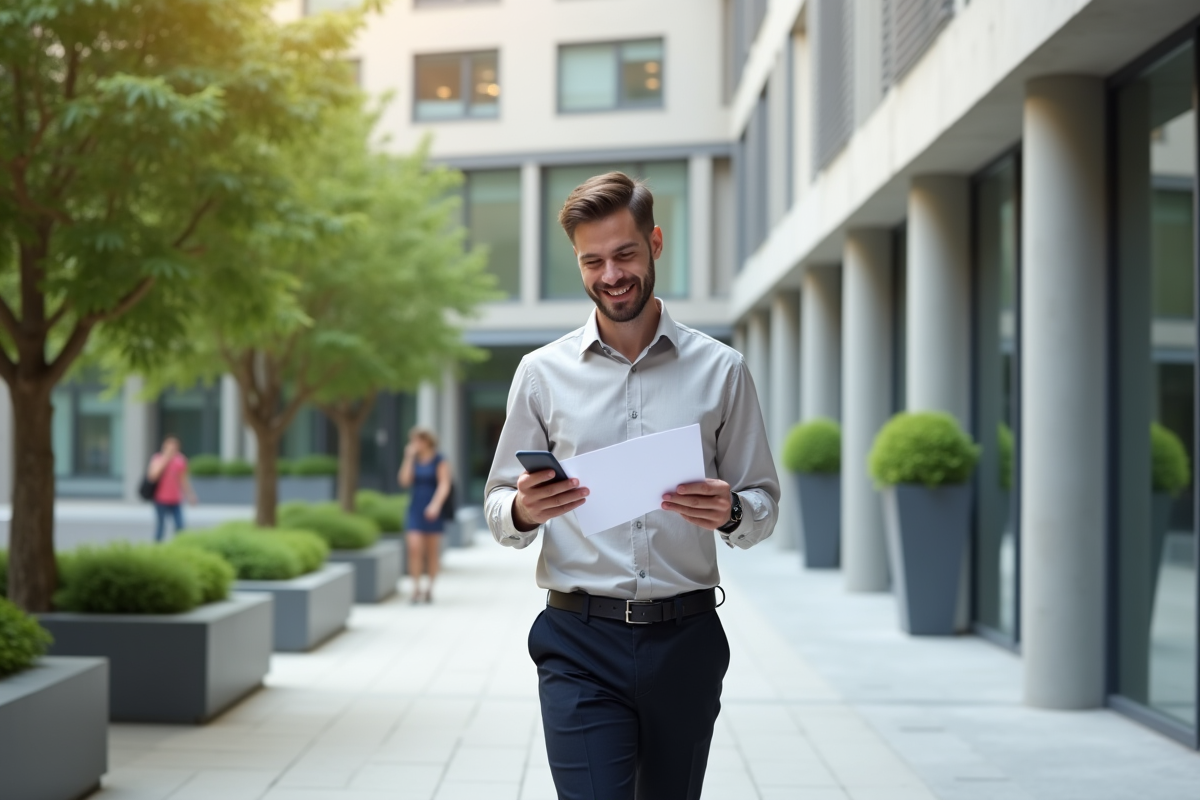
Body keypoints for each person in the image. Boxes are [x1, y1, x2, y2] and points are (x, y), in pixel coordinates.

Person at [484, 172, 779, 800]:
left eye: (625, 254)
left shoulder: (723, 371)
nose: (611, 274)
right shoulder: (540, 375)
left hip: (687, 641)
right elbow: (497, 506)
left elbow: (763, 507)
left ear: (656, 243)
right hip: (578, 642)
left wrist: (730, 511)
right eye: (593, 261)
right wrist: (525, 509)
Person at [398, 426, 453, 604]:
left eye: (417, 440)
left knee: (431, 551)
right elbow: (404, 481)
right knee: (414, 548)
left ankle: (429, 587)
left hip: (432, 508)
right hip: (415, 507)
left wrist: (436, 505)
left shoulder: (439, 459)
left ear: (426, 441)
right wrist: (408, 458)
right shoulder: (413, 459)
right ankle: (415, 589)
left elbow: (445, 484)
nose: (414, 444)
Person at [147, 436, 196, 542]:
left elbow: (184, 480)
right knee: (160, 527)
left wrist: (190, 495)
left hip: (175, 500)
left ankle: (180, 547)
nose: (171, 451)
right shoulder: (157, 458)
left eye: (174, 449)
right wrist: (166, 459)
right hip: (160, 499)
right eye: (169, 448)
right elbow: (152, 476)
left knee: (180, 526)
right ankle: (156, 550)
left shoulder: (180, 460)